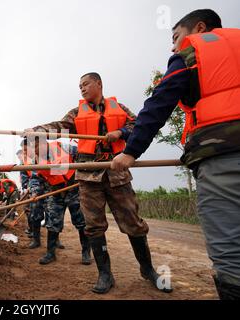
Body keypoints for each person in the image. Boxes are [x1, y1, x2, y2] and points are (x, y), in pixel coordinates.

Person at [111, 9, 240, 300]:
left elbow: (159, 103)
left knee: (231, 255)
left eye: (176, 37)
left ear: (199, 28)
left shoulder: (193, 52)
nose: (173, 45)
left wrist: (131, 151)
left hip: (223, 157)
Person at [25, 72, 171, 294]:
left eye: (86, 84)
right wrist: (38, 131)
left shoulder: (119, 108)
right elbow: (59, 126)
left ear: (98, 84)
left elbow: (139, 125)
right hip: (89, 176)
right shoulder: (77, 113)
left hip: (117, 174)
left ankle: (147, 269)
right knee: (93, 226)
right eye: (80, 86)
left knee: (134, 223)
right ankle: (105, 274)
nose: (82, 89)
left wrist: (121, 131)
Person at [35, 140, 92, 266]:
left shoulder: (65, 148)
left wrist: (84, 177)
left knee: (81, 222)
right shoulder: (37, 160)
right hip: (56, 192)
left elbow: (83, 158)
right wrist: (41, 194)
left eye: (37, 147)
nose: (36, 151)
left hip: (74, 189)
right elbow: (41, 179)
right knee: (52, 222)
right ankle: (50, 253)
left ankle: (86, 252)